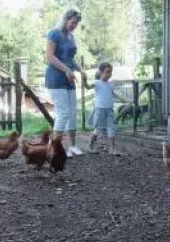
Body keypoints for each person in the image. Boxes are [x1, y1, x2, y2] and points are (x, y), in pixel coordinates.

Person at [45, 9, 86, 157]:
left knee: (72, 113)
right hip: (56, 78)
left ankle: (72, 147)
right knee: (62, 114)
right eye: (72, 22)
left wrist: (79, 69)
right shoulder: (54, 33)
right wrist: (66, 70)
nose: (74, 25)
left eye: (76, 23)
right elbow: (49, 56)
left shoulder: (71, 37)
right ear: (65, 19)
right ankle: (54, 149)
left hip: (69, 79)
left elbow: (70, 58)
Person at [84, 62, 124, 155]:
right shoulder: (97, 83)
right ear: (101, 72)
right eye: (107, 72)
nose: (109, 74)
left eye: (110, 72)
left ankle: (112, 149)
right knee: (98, 130)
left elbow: (112, 93)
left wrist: (121, 98)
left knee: (111, 129)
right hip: (100, 110)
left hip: (109, 109)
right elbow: (87, 87)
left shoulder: (110, 84)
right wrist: (84, 80)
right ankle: (89, 146)